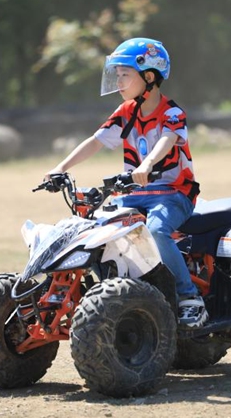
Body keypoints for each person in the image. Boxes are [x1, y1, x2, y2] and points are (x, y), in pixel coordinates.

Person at [44, 37, 207, 328]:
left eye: (125, 75)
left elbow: (167, 142)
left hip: (173, 194)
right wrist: (61, 167)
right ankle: (114, 294)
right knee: (96, 230)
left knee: (157, 230)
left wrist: (146, 165)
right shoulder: (125, 112)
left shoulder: (172, 114)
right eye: (116, 75)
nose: (118, 82)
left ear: (149, 77)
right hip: (134, 195)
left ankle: (189, 298)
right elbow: (95, 142)